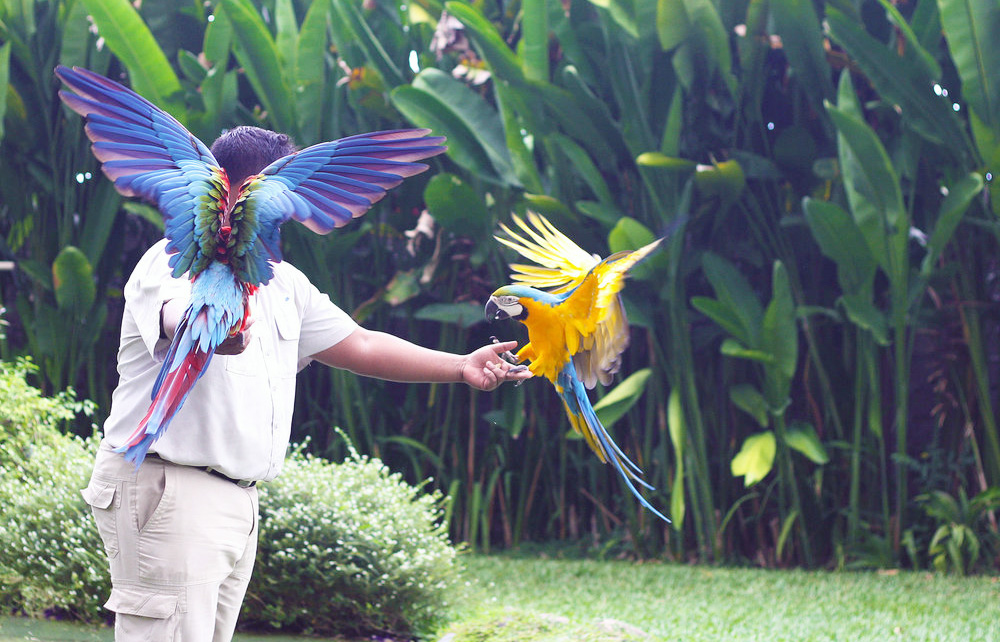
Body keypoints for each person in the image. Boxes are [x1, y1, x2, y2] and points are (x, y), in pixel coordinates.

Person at [80, 126, 530, 641]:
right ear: (243, 189)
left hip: (237, 501)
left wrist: (460, 365)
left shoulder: (283, 281)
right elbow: (174, 312)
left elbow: (358, 344)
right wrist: (209, 329)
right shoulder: (173, 259)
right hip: (170, 488)